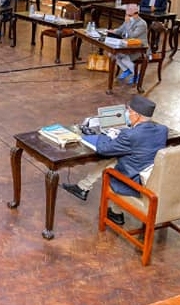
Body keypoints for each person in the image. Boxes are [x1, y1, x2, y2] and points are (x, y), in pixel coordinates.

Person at [61, 95, 168, 225]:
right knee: (116, 159)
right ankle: (91, 193)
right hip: (151, 175)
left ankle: (86, 190)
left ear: (137, 115)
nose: (127, 114)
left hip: (134, 181)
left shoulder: (130, 135)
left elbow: (103, 149)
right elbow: (140, 143)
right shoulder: (162, 130)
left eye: (129, 111)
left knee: (112, 161)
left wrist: (107, 133)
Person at [112, 3, 148, 84]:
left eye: (129, 15)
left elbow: (132, 36)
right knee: (112, 54)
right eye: (126, 15)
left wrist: (128, 23)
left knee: (124, 58)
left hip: (140, 48)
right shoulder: (128, 20)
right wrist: (113, 31)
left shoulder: (142, 24)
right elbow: (120, 30)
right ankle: (126, 70)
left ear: (136, 14)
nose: (127, 17)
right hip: (128, 45)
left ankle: (137, 74)